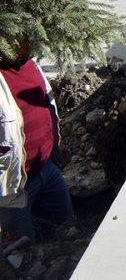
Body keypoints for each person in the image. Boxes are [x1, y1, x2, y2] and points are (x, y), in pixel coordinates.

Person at [0, 40, 73, 246]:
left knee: (66, 227)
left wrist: (57, 143)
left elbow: (47, 106)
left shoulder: (30, 65)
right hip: (11, 187)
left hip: (45, 167)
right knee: (20, 249)